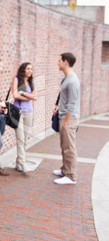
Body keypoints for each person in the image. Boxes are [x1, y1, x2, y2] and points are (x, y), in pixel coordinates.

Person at [52, 52, 80, 185]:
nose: (57, 63)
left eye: (59, 61)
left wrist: (66, 121)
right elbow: (64, 98)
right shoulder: (66, 79)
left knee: (69, 148)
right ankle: (65, 170)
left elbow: (73, 104)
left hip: (69, 119)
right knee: (64, 146)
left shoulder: (73, 81)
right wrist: (57, 108)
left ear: (66, 62)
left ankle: (71, 176)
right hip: (63, 117)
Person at [12, 62, 37, 173]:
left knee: (25, 139)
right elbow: (15, 95)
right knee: (20, 139)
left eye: (31, 69)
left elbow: (35, 97)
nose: (30, 71)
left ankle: (18, 163)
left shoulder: (31, 83)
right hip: (18, 112)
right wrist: (28, 96)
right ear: (23, 70)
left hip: (29, 113)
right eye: (28, 69)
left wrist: (22, 93)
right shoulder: (16, 80)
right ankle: (23, 163)